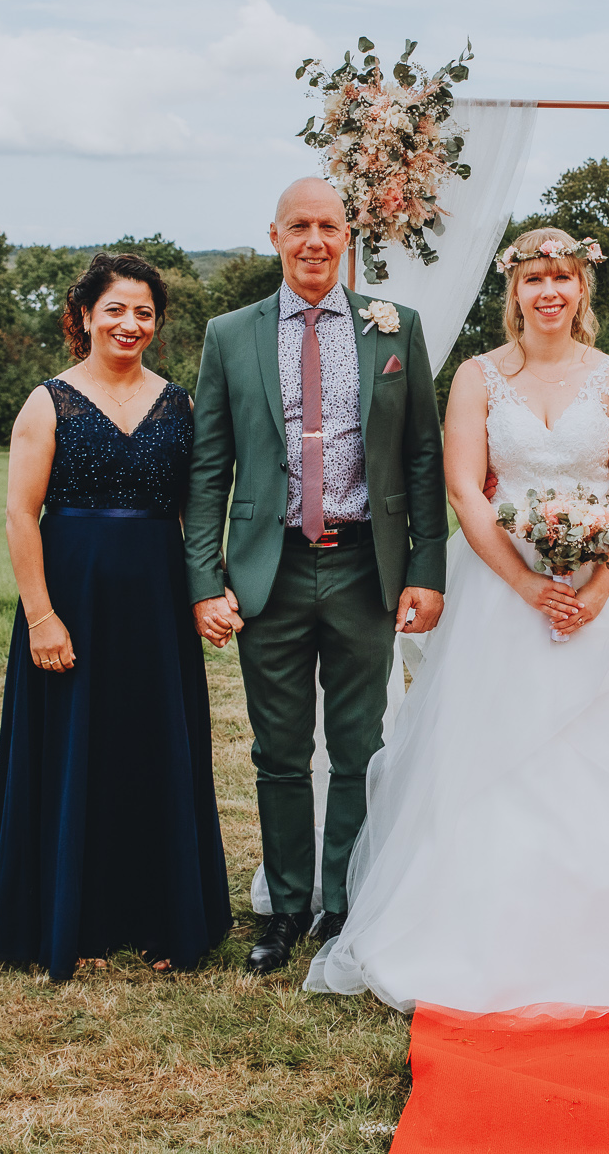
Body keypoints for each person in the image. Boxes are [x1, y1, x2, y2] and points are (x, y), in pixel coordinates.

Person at [304, 230, 609, 1019]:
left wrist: (598, 589)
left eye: (563, 278)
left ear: (581, 289)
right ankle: (476, 921)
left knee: (604, 755)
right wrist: (524, 583)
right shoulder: (479, 376)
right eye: (535, 278)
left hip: (599, 596)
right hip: (499, 597)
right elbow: (465, 490)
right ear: (514, 290)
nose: (549, 291)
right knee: (493, 751)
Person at [185, 178, 447, 975]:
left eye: (328, 226)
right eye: (298, 225)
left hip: (366, 565)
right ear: (274, 236)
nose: (314, 240)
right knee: (279, 750)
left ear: (347, 237)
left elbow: (423, 455)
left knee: (361, 744)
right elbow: (209, 467)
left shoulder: (395, 327)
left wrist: (427, 567)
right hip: (269, 570)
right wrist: (204, 581)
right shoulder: (230, 335)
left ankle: (346, 901)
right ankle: (287, 906)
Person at [0, 252, 232, 981]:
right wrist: (41, 617)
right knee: (75, 752)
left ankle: (163, 916)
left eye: (144, 312)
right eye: (115, 309)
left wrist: (205, 591)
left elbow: (196, 511)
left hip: (156, 605)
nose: (130, 323)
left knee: (154, 749)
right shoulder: (48, 402)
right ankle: (77, 917)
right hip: (74, 602)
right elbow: (20, 515)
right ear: (85, 315)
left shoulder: (180, 405)